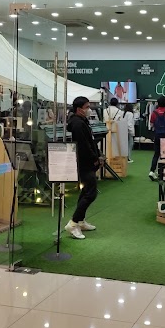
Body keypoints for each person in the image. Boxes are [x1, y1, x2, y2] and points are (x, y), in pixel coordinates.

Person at [65, 96, 103, 240]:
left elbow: (90, 142)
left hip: (88, 161)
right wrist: (94, 158)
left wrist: (98, 155)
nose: (89, 109)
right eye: (87, 107)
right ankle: (73, 223)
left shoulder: (82, 121)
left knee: (86, 191)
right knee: (90, 193)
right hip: (84, 163)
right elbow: (83, 146)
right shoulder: (77, 124)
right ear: (79, 109)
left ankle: (80, 220)